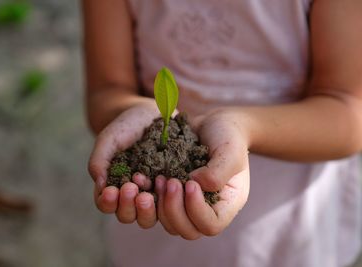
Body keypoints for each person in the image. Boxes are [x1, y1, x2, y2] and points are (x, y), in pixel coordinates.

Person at [82, 0, 362, 266]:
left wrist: (243, 128)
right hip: (152, 227)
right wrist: (131, 113)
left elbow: (348, 110)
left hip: (288, 235)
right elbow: (107, 91)